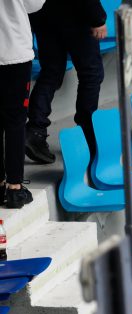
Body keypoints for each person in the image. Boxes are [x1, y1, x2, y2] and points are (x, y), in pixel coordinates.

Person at [25, 0, 107, 166]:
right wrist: (97, 18)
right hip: (75, 13)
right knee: (91, 73)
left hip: (43, 14)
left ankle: (35, 131)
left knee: (51, 72)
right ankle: (86, 136)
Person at [0, 0, 45, 208]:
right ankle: (15, 187)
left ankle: (1, 182)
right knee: (15, 121)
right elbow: (34, 4)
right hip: (14, 52)